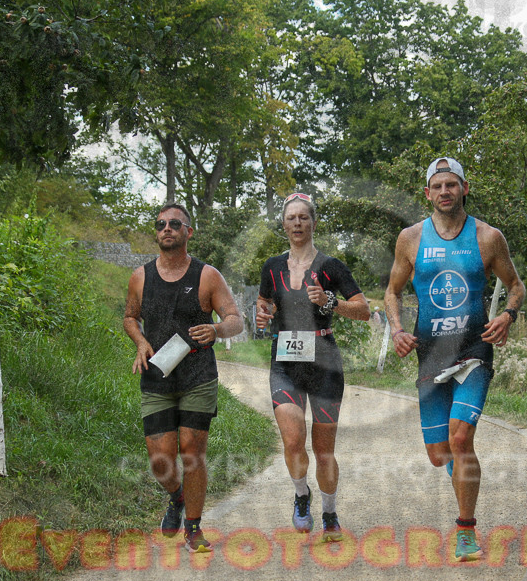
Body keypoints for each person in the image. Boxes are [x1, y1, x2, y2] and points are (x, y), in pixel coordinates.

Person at [384, 158, 525, 562]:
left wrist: (507, 315)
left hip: (474, 351)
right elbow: (392, 292)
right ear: (427, 193)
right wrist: (396, 329)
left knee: (461, 438)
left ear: (465, 188)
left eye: (452, 184)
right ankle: (463, 479)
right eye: (437, 186)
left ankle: (466, 530)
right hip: (430, 354)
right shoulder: (410, 239)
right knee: (440, 452)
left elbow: (515, 286)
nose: (445, 191)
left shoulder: (488, 237)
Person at [124, 203, 243, 553]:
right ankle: (176, 497)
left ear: (188, 232)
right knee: (161, 461)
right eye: (161, 224)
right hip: (157, 376)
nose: (167, 228)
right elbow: (130, 317)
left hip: (197, 376)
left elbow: (235, 318)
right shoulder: (140, 277)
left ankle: (193, 527)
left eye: (175, 224)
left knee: (192, 453)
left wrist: (218, 329)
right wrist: (141, 342)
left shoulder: (207, 276)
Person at [256, 193, 370, 541]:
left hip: (324, 362)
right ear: (283, 225)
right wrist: (262, 315)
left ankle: (330, 511)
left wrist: (330, 301)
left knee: (323, 450)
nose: (297, 224)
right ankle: (301, 495)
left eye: (304, 218)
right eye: (291, 218)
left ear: (314, 223)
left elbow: (363, 309)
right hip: (285, 362)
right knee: (293, 441)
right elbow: (263, 305)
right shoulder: (271, 267)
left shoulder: (331, 266)